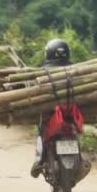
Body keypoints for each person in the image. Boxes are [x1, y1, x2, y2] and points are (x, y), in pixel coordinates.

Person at [30, 39, 72, 178]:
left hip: (49, 112)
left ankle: (39, 159)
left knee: (42, 130)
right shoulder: (76, 69)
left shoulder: (41, 71)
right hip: (70, 111)